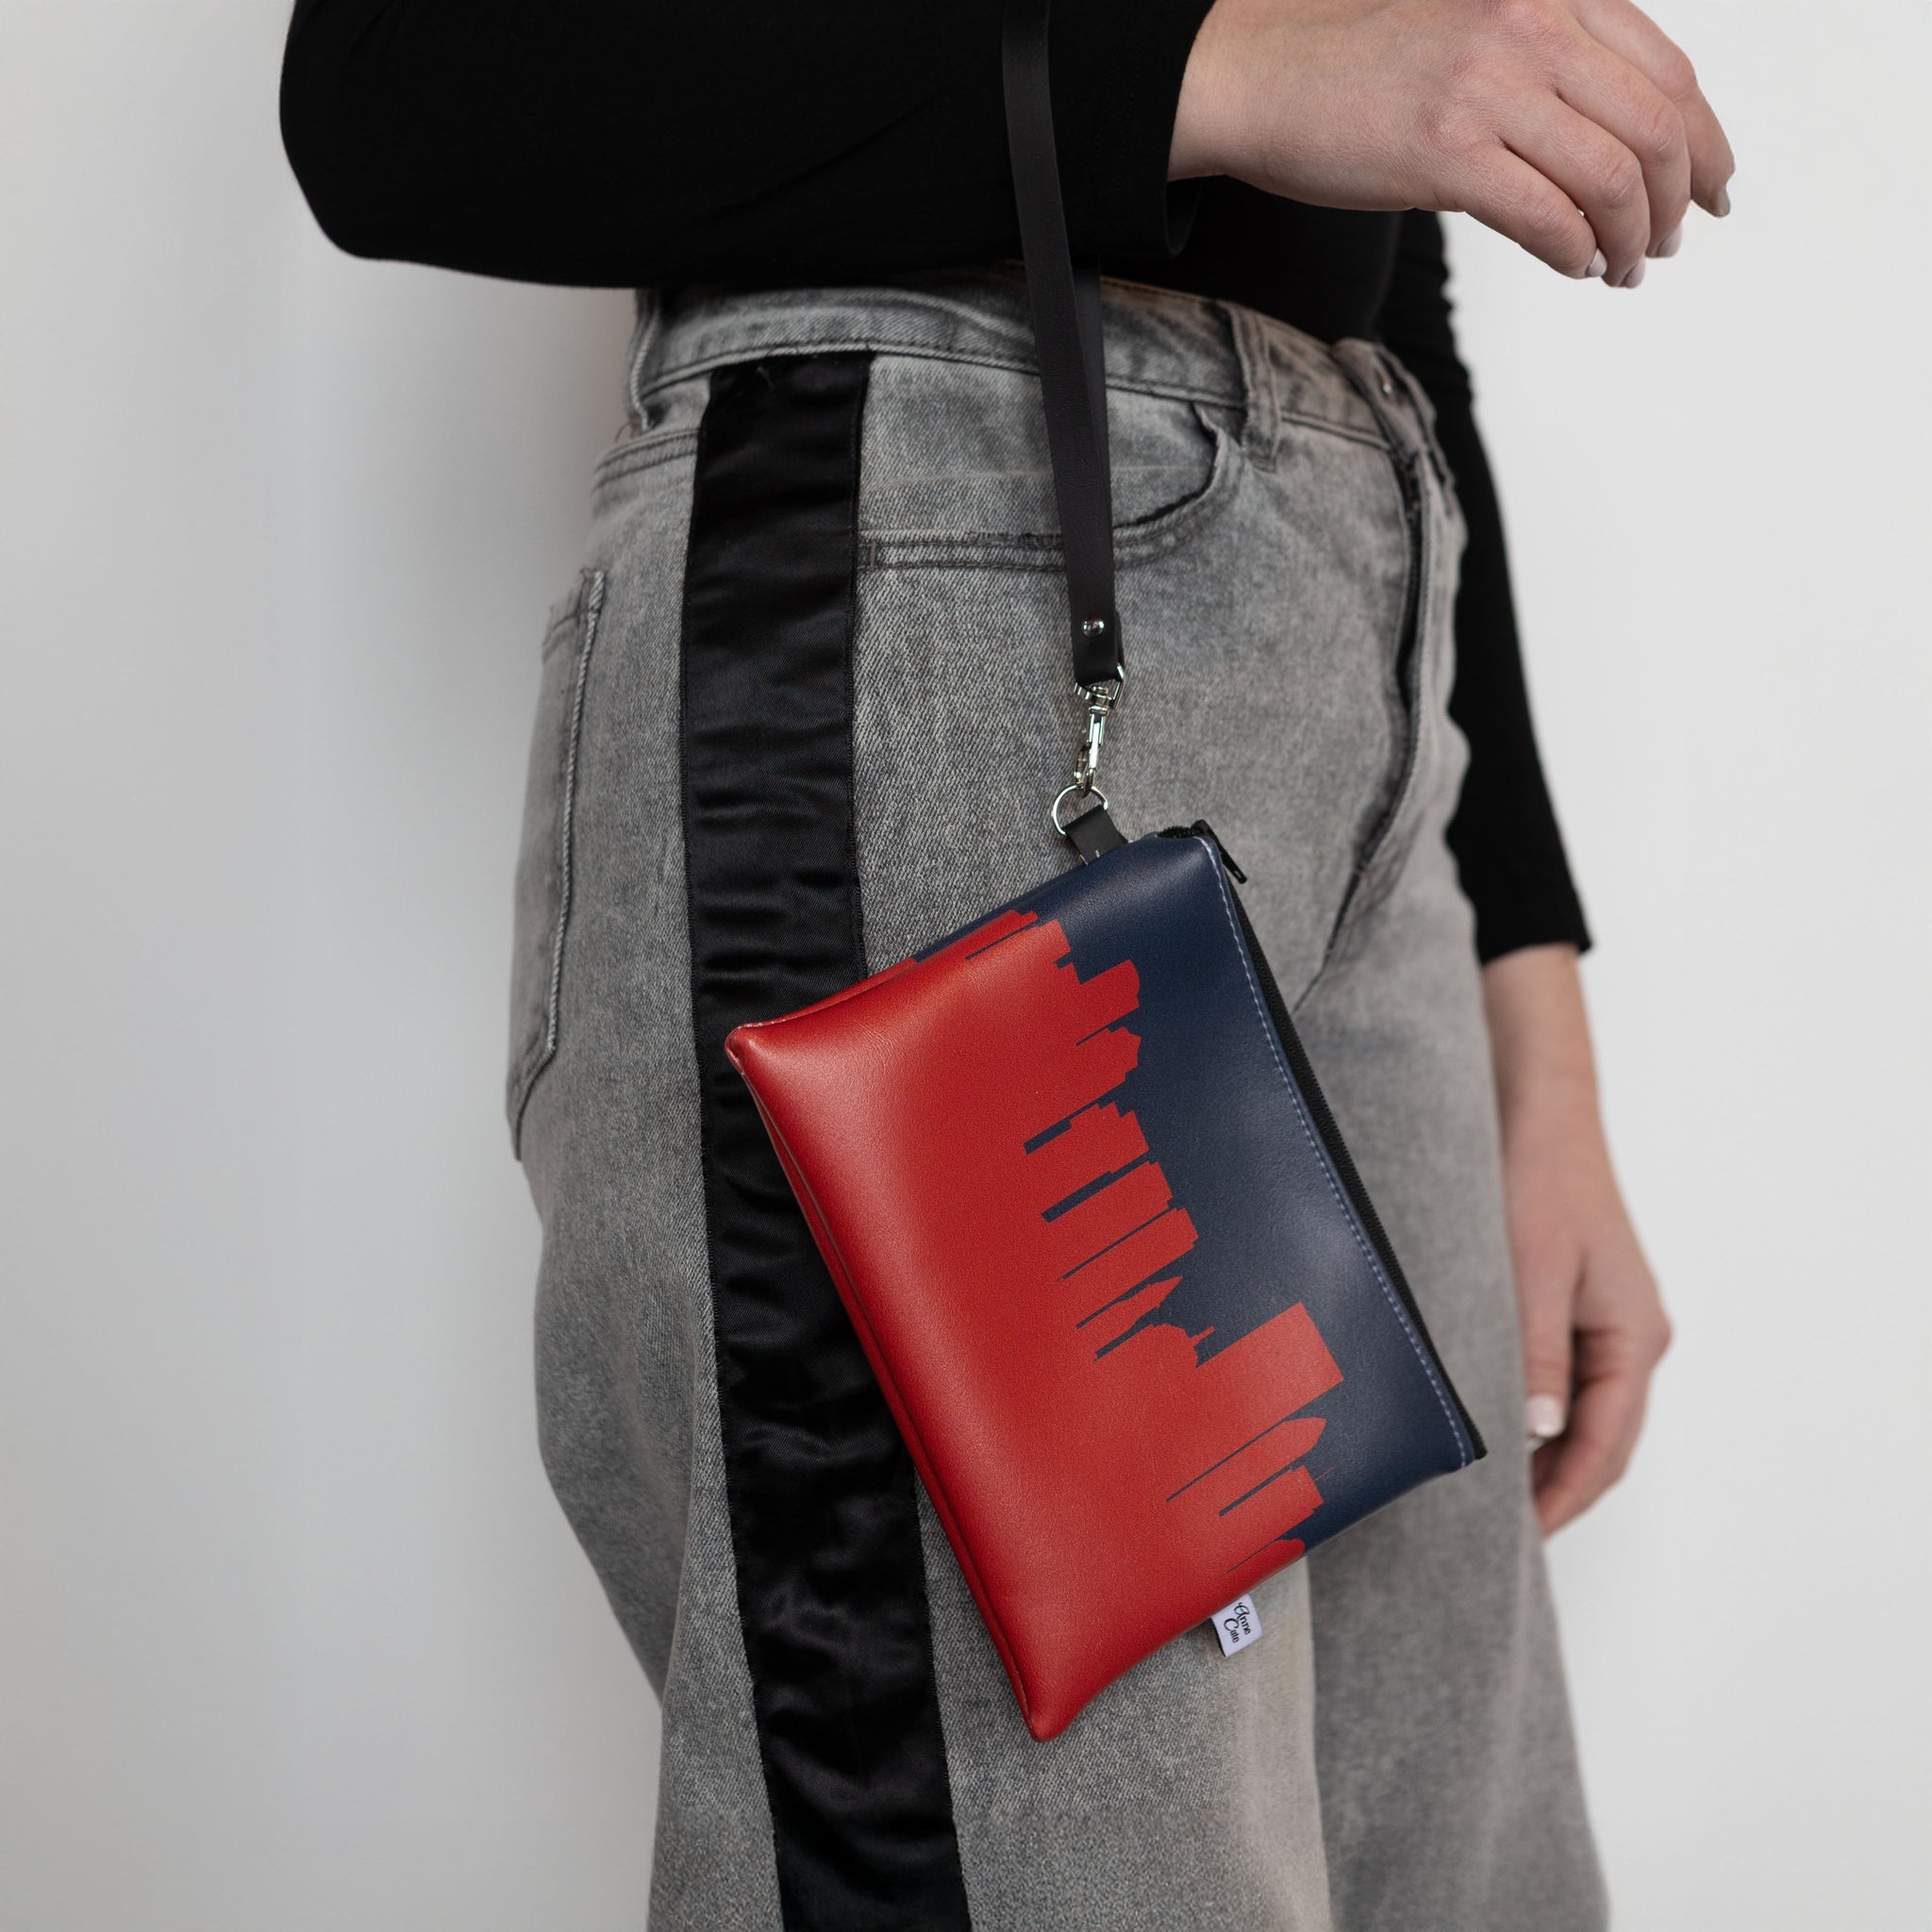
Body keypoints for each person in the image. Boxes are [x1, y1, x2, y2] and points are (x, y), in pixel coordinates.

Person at [279, 2, 1733, 1924]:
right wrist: (1217, 72)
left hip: (1358, 613)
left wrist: (1534, 1032)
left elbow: (1392, 277)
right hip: (947, 572)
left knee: (1461, 1879)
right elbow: (404, 90)